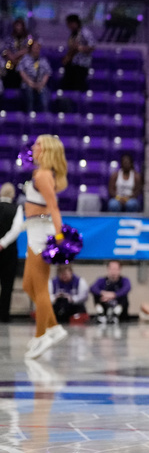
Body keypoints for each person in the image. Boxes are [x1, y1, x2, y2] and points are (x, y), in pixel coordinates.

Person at [17, 135, 69, 358]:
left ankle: (42, 336)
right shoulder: (40, 173)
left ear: (46, 150)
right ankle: (54, 328)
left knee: (39, 287)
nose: (34, 147)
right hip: (34, 230)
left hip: (42, 234)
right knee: (29, 285)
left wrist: (59, 237)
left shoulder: (44, 175)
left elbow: (54, 208)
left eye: (38, 144)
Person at [0, 183, 20, 322]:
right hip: (9, 252)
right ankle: (4, 315)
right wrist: (3, 243)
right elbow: (17, 229)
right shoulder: (16, 208)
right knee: (7, 285)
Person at [61, 14, 94, 91]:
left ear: (74, 23)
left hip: (82, 64)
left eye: (69, 24)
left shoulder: (85, 32)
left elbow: (92, 46)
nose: (68, 26)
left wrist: (79, 48)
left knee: (79, 86)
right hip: (72, 63)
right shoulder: (73, 34)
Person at [17, 39, 50, 113]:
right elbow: (22, 72)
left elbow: (47, 73)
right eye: (35, 48)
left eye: (38, 48)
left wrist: (41, 84)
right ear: (31, 49)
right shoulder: (25, 59)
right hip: (28, 85)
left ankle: (44, 116)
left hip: (40, 85)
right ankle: (30, 114)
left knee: (44, 93)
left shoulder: (43, 60)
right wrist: (31, 84)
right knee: (29, 92)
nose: (36, 50)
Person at [2, 18, 31, 90]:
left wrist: (15, 56)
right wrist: (12, 57)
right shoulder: (9, 38)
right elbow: (6, 50)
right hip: (10, 63)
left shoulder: (27, 39)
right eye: (17, 26)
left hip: (23, 65)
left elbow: (27, 50)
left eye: (20, 26)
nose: (18, 28)